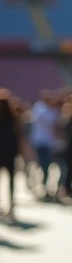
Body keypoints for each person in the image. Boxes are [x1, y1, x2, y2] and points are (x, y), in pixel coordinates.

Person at [0, 90, 22, 220]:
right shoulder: (13, 117)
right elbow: (18, 135)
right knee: (11, 180)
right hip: (10, 151)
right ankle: (11, 204)